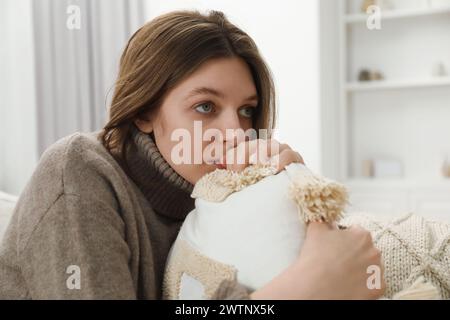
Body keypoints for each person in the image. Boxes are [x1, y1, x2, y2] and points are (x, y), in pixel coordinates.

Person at [0, 10, 384, 299]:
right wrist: (303, 287)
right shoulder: (79, 172)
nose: (237, 133)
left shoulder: (213, 197)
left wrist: (289, 202)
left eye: (247, 110)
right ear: (144, 112)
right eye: (205, 107)